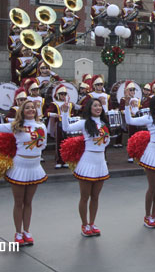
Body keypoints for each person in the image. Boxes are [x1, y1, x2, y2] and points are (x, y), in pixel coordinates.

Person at [0, 100, 48, 245]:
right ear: (22, 111)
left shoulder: (41, 125)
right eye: (27, 108)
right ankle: (18, 233)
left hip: (35, 167)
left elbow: (43, 145)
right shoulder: (16, 125)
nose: (31, 110)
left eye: (33, 108)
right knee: (19, 202)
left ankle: (27, 231)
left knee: (29, 202)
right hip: (19, 167)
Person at [61, 98, 110, 237]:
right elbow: (66, 128)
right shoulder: (84, 123)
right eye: (95, 106)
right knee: (85, 197)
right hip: (88, 161)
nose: (98, 108)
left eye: (99, 105)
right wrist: (65, 113)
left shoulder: (104, 123)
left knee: (95, 197)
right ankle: (84, 224)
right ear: (89, 108)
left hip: (100, 162)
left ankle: (92, 223)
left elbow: (107, 141)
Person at [124, 94, 155, 228]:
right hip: (153, 153)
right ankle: (147, 217)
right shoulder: (150, 117)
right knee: (153, 187)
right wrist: (127, 105)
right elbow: (130, 121)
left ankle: (154, 215)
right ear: (153, 105)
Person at [45, 84, 74, 169]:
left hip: (69, 124)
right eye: (61, 94)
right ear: (57, 94)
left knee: (68, 143)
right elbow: (47, 113)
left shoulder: (69, 104)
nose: (63, 96)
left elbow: (73, 113)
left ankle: (66, 160)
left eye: (65, 94)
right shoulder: (54, 104)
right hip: (59, 124)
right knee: (59, 142)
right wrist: (56, 115)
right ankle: (58, 160)